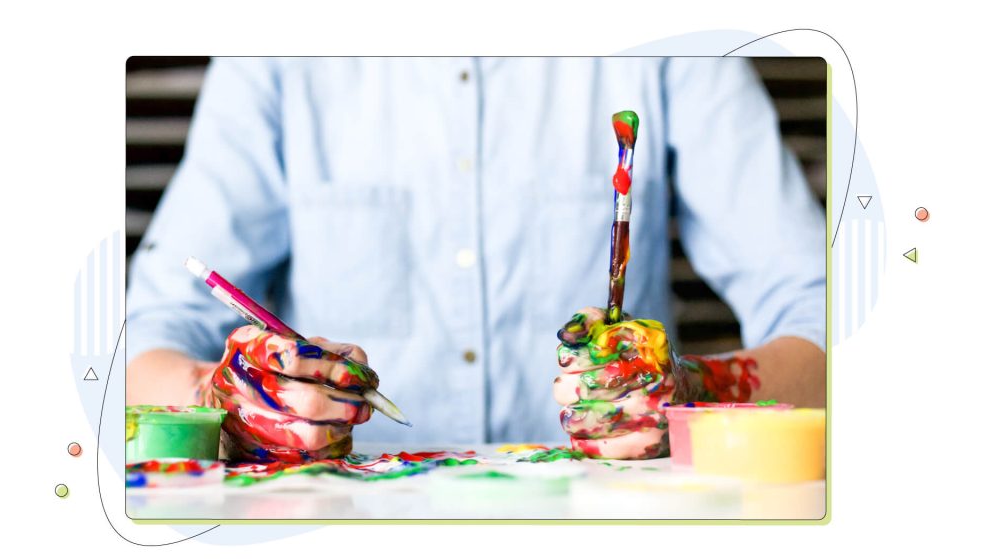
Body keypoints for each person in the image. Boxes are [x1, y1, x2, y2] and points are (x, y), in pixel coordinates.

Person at [126, 57, 826, 461]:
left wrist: (689, 394)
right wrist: (224, 397)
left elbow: (831, 318)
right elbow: (140, 344)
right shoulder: (276, 50)